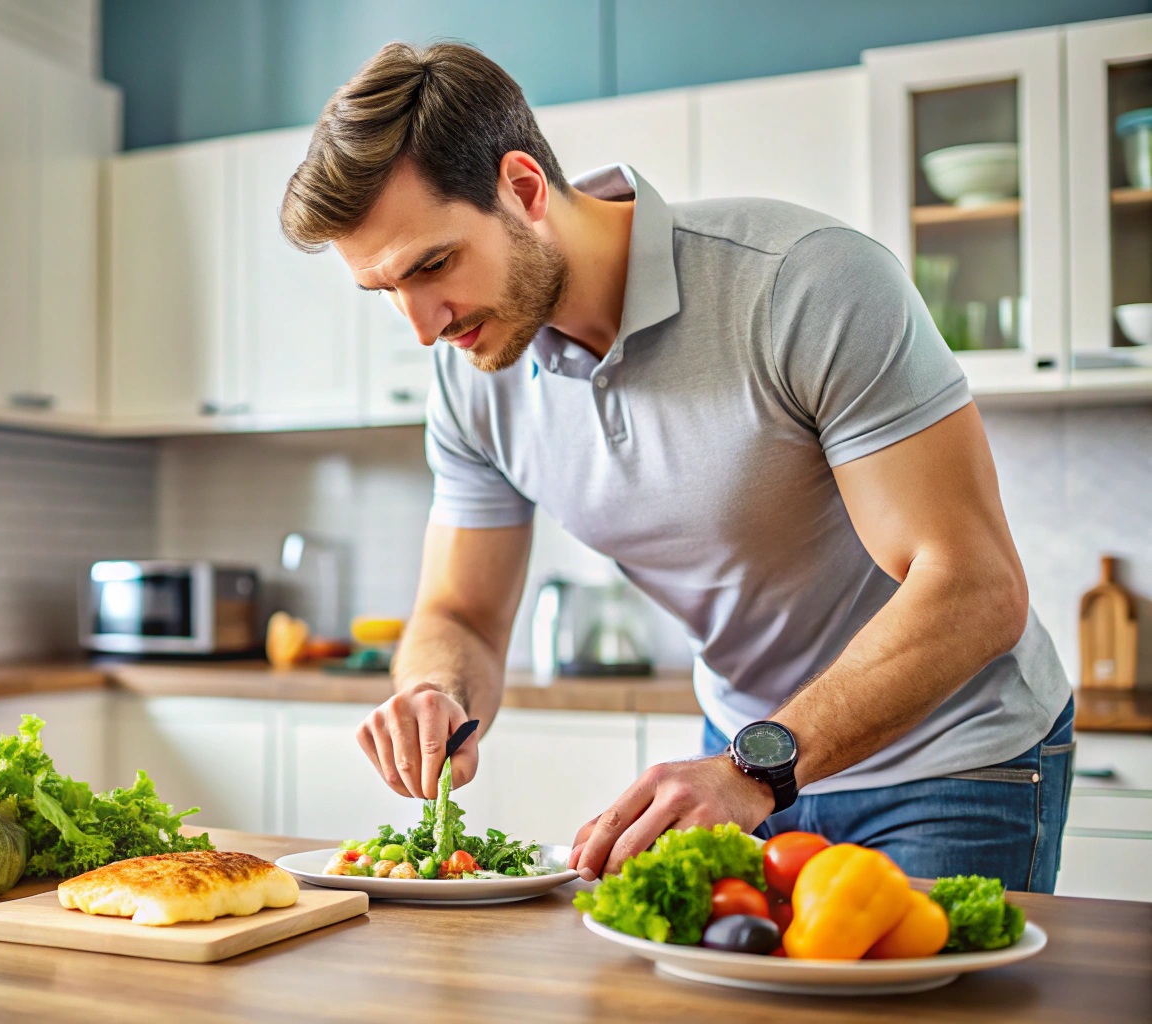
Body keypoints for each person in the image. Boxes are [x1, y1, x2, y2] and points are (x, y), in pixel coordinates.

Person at [278, 41, 1073, 891]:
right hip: (745, 765)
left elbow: (974, 584)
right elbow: (462, 612)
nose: (423, 326)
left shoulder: (800, 284)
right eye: (385, 291)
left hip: (948, 765)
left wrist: (754, 767)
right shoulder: (475, 376)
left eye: (433, 266)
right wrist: (437, 688)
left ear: (524, 188)